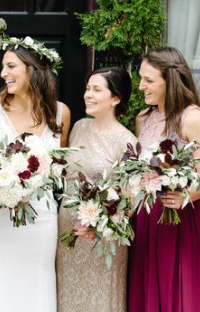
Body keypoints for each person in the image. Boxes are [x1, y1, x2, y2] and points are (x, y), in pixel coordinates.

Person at [0, 36, 71, 312]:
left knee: (37, 283)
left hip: (41, 216)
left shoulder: (61, 113)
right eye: (3, 67)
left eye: (11, 66)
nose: (3, 74)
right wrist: (5, 188)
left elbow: (58, 171)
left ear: (32, 68)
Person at [127, 46, 200, 312]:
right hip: (145, 218)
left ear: (170, 81)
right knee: (146, 289)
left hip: (177, 218)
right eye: (141, 78)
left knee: (175, 287)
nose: (141, 86)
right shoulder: (144, 118)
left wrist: (186, 194)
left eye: (149, 80)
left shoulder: (192, 118)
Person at [56, 67, 137, 312]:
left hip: (100, 239)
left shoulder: (128, 141)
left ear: (116, 98)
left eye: (97, 89)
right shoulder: (79, 127)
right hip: (67, 233)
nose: (88, 95)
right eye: (88, 88)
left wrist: (99, 226)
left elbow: (130, 200)